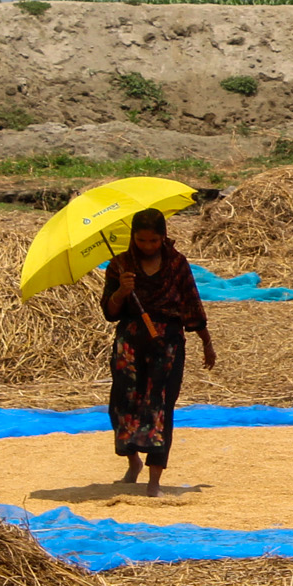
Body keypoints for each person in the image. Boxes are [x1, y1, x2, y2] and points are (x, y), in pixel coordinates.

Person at [98, 207, 215, 494]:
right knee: (123, 403)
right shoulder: (120, 266)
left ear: (163, 237)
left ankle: (154, 480)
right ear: (133, 238)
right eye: (141, 241)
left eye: (153, 241)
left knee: (160, 404)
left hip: (168, 343)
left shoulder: (176, 264)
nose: (148, 246)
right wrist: (121, 292)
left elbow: (191, 304)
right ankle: (133, 462)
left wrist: (206, 341)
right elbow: (110, 312)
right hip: (130, 342)